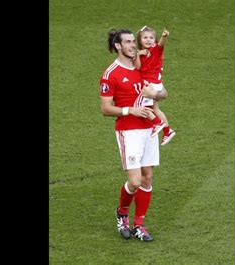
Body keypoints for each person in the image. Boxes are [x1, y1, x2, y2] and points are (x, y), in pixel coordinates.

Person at [99, 29, 167, 242]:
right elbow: (105, 108)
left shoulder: (143, 64)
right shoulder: (111, 74)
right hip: (129, 131)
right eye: (127, 42)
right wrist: (131, 110)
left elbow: (163, 94)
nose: (132, 45)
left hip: (149, 129)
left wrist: (154, 94)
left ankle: (139, 224)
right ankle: (122, 212)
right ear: (118, 46)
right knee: (135, 181)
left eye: (132, 41)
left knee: (147, 177)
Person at [134, 25, 176, 146]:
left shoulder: (155, 49)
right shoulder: (139, 53)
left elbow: (161, 45)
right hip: (154, 84)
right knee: (155, 109)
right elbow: (138, 67)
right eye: (145, 37)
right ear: (140, 40)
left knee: (143, 108)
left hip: (150, 85)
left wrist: (164, 37)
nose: (148, 40)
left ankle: (158, 124)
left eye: (151, 37)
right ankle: (167, 131)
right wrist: (138, 54)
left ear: (155, 39)